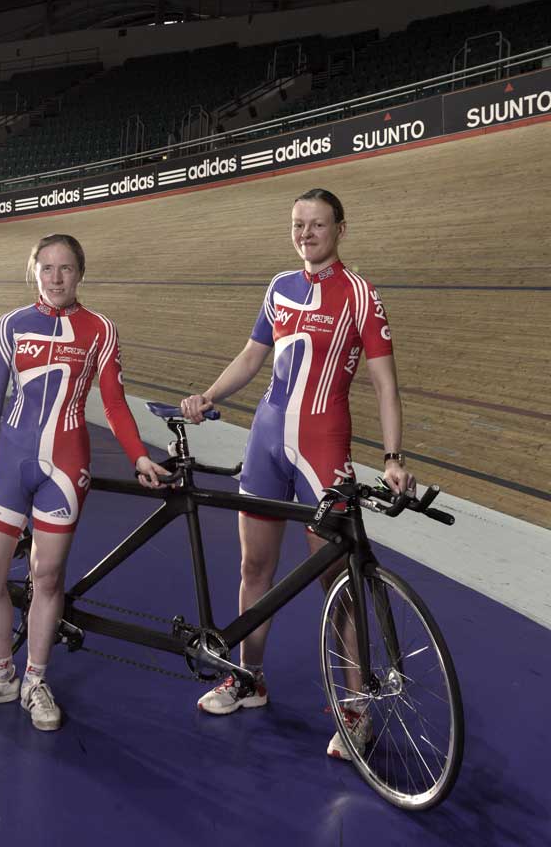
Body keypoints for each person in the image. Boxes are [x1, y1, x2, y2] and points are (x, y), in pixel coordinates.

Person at [180, 188, 415, 760]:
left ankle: (357, 707)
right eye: (298, 224)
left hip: (322, 447)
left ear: (340, 228)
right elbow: (251, 357)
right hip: (265, 442)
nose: (306, 233)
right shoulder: (279, 287)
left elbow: (385, 383)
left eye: (317, 224)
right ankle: (248, 678)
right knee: (254, 567)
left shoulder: (361, 296)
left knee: (335, 580)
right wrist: (208, 394)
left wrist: (391, 457)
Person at [0, 233, 169, 730]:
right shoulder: (11, 325)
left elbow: (112, 402)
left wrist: (138, 457)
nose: (56, 277)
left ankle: (35, 680)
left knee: (46, 578)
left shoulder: (100, 329)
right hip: (10, 465)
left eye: (66, 268)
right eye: (47, 267)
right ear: (35, 272)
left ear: (80, 274)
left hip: (65, 470)